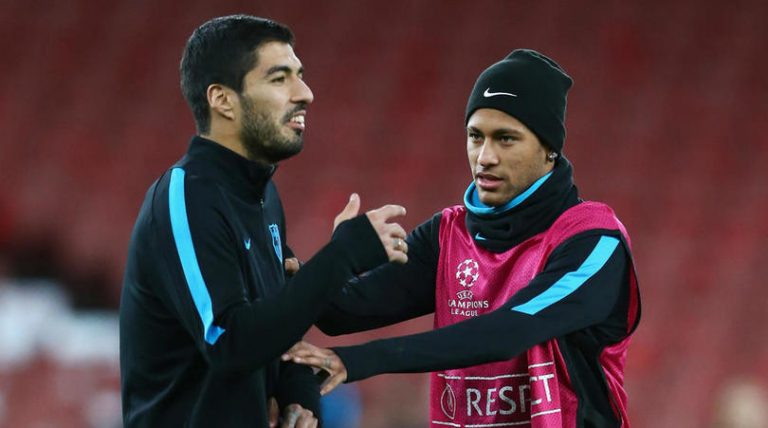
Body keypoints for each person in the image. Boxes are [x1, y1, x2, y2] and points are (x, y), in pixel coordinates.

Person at [284, 49, 641, 427]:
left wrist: (359, 360)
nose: (485, 157)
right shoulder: (448, 234)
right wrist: (337, 258)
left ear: (549, 148)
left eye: (506, 139)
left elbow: (510, 331)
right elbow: (341, 312)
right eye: (475, 136)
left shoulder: (595, 241)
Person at [119, 15, 409, 428]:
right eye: (279, 78)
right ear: (223, 100)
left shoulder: (262, 196)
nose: (305, 93)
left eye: (299, 75)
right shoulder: (185, 197)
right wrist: (343, 255)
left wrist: (298, 396)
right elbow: (227, 340)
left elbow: (275, 329)